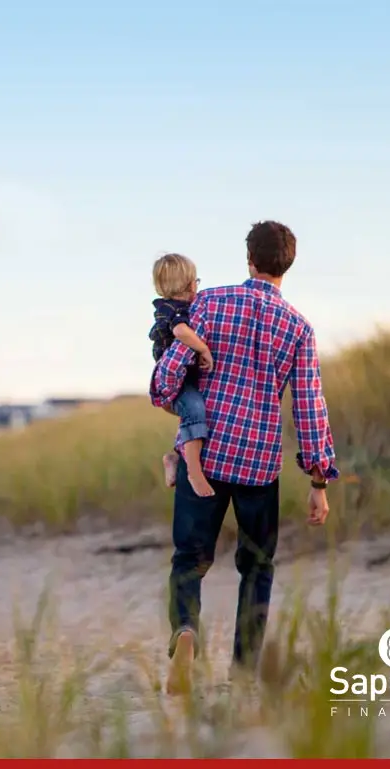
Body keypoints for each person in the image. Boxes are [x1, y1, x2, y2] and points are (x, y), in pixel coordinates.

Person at [150, 220, 338, 694]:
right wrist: (318, 482)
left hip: (207, 456)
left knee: (189, 560)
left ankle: (186, 631)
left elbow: (169, 373)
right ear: (287, 265)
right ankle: (245, 671)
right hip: (258, 464)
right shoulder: (298, 327)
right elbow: (310, 405)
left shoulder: (210, 302)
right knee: (257, 567)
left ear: (248, 258)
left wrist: (169, 395)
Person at [149, 254, 216, 498]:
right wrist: (203, 348)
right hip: (175, 383)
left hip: (185, 379)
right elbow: (180, 332)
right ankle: (194, 472)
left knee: (195, 416)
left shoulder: (180, 307)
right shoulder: (171, 310)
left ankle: (175, 459)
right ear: (190, 285)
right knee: (195, 410)